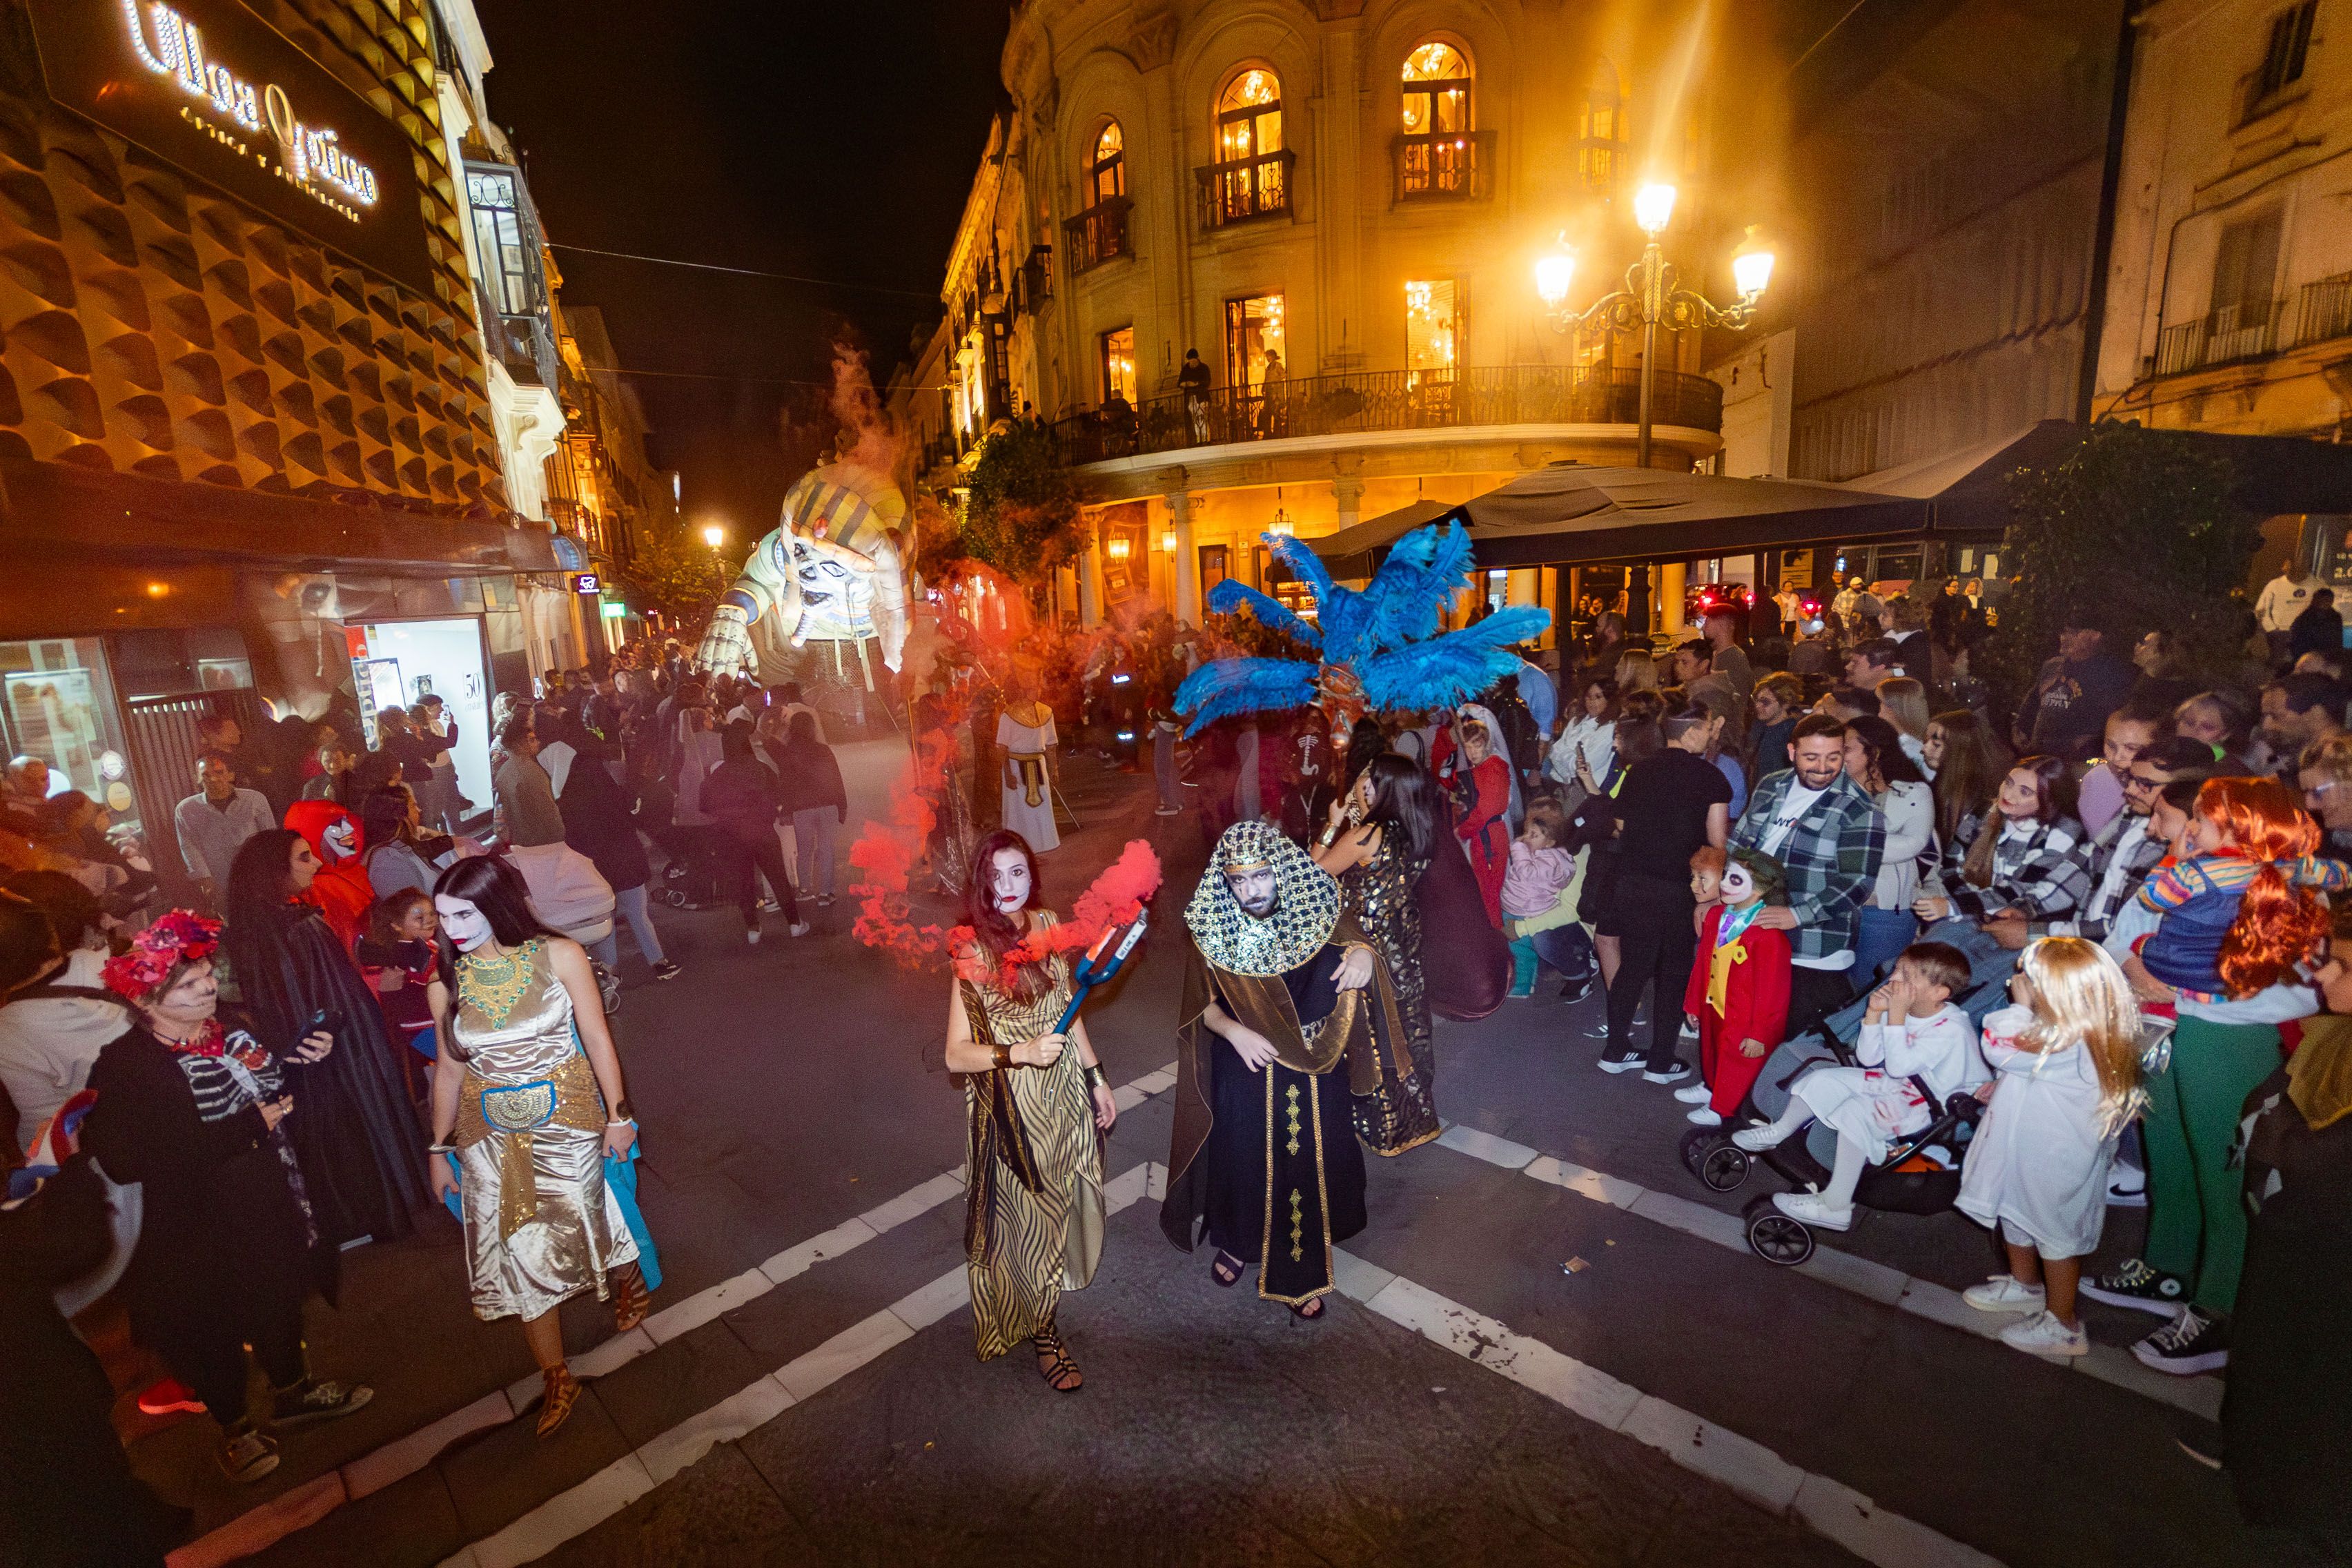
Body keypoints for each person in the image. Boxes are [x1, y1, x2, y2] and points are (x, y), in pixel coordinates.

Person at [82, 912, 372, 1482]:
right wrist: (248, 1127)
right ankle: (235, 1431)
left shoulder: (234, 1030)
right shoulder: (126, 1066)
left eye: (208, 974)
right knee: (209, 1324)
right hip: (192, 1224)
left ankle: (293, 1393)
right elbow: (126, 1158)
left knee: (280, 1294)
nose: (208, 987)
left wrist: (298, 1063)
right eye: (188, 985)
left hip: (265, 1195)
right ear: (146, 1003)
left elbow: (271, 1092)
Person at [424, 856, 651, 1438]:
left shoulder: (560, 955)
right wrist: (437, 1150)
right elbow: (448, 1075)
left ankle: (627, 1273)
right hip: (488, 1135)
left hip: (569, 1117)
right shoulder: (445, 984)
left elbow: (598, 1038)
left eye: (463, 913)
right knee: (521, 1253)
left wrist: (619, 1115)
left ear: (498, 904)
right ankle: (556, 1374)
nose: (451, 928)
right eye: (443, 916)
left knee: (587, 1217)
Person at [1163, 821, 1420, 1316]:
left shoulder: (1315, 904)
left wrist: (1365, 954)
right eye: (1239, 881)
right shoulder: (1213, 926)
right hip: (1246, 1062)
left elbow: (1358, 939)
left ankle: (1299, 1265)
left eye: (1260, 876)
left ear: (1280, 870)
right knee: (1241, 1157)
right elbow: (1201, 1010)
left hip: (1317, 1062)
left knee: (1308, 1162)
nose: (1251, 890)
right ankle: (1238, 1240)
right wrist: (1234, 1032)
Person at [940, 832, 1114, 1391]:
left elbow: (1069, 1003)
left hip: (1062, 1090)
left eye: (1018, 873)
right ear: (981, 883)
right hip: (1013, 1104)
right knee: (1029, 1221)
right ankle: (1044, 1332)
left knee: (1067, 1200)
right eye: (996, 876)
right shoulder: (971, 950)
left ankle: (1046, 1302)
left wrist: (1096, 1075)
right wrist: (1021, 1052)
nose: (1008, 888)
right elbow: (954, 1053)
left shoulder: (1045, 923)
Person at [2205, 910, 2352, 1534]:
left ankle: (2289, 1496)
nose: (2324, 977)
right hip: (2298, 1233)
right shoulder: (2335, 1031)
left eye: (2343, 966)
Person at [224, 829, 429, 1249]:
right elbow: (291, 998)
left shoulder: (271, 925)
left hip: (335, 1042)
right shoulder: (284, 928)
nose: (317, 864)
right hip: (333, 1049)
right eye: (304, 858)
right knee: (352, 1126)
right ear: (273, 871)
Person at [1957, 937, 2146, 1358]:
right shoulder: (2074, 1029)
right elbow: (2025, 1069)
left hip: (2053, 1159)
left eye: (2029, 978)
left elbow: (2001, 1046)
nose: (2018, 981)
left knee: (2055, 1236)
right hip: (2029, 1149)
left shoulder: (2068, 1035)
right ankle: (2025, 1286)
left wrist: (2019, 1008)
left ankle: (2064, 1325)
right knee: (2017, 1215)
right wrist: (2005, 1084)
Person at [1734, 941, 1982, 1228]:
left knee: (1856, 1112)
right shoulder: (1906, 1009)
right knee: (1825, 1079)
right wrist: (1875, 1015)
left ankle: (1836, 1206)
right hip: (1899, 1085)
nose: (1894, 979)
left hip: (1931, 1108)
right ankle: (1779, 1131)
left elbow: (1900, 1065)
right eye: (1897, 970)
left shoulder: (1952, 1029)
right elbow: (1868, 1057)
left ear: (1939, 993)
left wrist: (1897, 1015)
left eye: (1906, 976)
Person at [1312, 754, 1442, 1151]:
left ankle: (1384, 1126)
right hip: (1403, 947)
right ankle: (1418, 1119)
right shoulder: (1420, 828)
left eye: (1369, 780)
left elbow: (1313, 874)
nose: (1360, 784)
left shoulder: (1366, 835)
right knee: (1408, 1028)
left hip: (1366, 949)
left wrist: (1334, 822)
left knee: (1373, 1037)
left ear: (1383, 788)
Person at [1598, 697, 1732, 1081]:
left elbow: (1621, 823)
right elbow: (1716, 844)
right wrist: (1713, 895)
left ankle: (1616, 1049)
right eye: (1708, 728)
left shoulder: (1639, 770)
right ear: (1691, 731)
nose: (1710, 735)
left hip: (1633, 880)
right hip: (1679, 887)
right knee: (1674, 972)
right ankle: (1660, 1060)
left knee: (1633, 967)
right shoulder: (1711, 777)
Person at [1732, 714, 1886, 1039]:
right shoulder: (1771, 785)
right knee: (1746, 1025)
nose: (1823, 768)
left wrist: (1795, 915)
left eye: (1833, 757)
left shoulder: (1859, 809)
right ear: (1792, 752)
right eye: (1811, 757)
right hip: (1753, 929)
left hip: (1814, 950)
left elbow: (1857, 883)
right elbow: (1740, 844)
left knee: (1786, 1041)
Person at [551, 716, 676, 981]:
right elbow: (631, 812)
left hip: (596, 866)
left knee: (604, 916)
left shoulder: (568, 797)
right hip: (626, 859)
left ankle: (609, 968)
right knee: (638, 914)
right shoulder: (610, 788)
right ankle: (659, 962)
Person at [1678, 846, 1791, 1127]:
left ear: (1761, 890)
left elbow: (1773, 992)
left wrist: (1759, 1034)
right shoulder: (1716, 916)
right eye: (1726, 875)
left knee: (1737, 1062)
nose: (1725, 884)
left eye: (1736, 880)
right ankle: (1712, 1088)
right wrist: (1694, 1002)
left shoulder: (1769, 935)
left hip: (1747, 1015)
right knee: (1712, 1050)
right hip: (1715, 1003)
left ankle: (1724, 1108)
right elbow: (1703, 962)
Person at [1844, 716, 1933, 982]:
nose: (1838, 754)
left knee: (1873, 988)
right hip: (1837, 909)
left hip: (1883, 915)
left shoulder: (1912, 793)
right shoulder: (1834, 791)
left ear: (1875, 752)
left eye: (1846, 749)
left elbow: (1913, 844)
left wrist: (1847, 844)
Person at [701, 724, 805, 943]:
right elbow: (778, 797)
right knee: (778, 879)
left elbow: (705, 805)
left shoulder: (718, 774)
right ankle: (795, 923)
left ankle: (753, 929)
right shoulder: (761, 769)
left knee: (743, 882)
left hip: (732, 837)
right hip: (762, 832)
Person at [2012, 616, 2134, 761]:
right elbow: (2032, 704)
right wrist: (2020, 731)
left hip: (2078, 764)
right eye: (2064, 633)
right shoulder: (2052, 667)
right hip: (2039, 758)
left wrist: (2083, 747)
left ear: (2096, 636)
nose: (2064, 638)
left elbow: (2112, 720)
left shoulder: (2110, 673)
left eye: (2074, 633)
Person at [1499, 801, 1579, 1001]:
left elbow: (1527, 875)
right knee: (1520, 948)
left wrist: (1518, 848)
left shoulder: (1548, 860)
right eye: (1527, 832)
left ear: (1550, 842)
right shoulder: (1540, 854)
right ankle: (1531, 978)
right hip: (1519, 905)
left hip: (1527, 910)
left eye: (1533, 835)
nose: (1526, 838)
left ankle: (1523, 986)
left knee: (1520, 948)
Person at [174, 751, 274, 905]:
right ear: (198, 778)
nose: (213, 779)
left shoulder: (254, 799)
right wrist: (205, 878)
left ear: (231, 775)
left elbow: (270, 838)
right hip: (221, 881)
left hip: (258, 876)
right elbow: (188, 846)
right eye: (206, 775)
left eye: (219, 772)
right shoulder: (186, 809)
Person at [770, 711, 847, 908]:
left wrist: (786, 810)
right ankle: (825, 893)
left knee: (804, 849)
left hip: (801, 807)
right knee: (827, 848)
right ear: (812, 728)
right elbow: (835, 777)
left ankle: (804, 889)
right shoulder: (823, 750)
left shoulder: (788, 753)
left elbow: (785, 783)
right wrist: (841, 805)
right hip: (827, 804)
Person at [1440, 714, 1512, 925]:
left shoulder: (1494, 767)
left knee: (1488, 897)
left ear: (1486, 744)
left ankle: (1498, 951)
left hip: (1489, 836)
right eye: (1468, 746)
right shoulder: (1483, 768)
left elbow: (1485, 809)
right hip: (1483, 836)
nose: (1472, 752)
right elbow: (1454, 785)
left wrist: (1462, 832)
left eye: (1477, 746)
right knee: (1482, 895)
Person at [285, 797, 375, 952]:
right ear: (313, 834)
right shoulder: (311, 888)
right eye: (336, 826)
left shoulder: (359, 870)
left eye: (346, 822)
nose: (348, 830)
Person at [2075, 705, 2165, 838]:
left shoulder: (2162, 795)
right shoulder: (2096, 779)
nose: (2116, 758)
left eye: (2131, 748)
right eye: (2111, 746)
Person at [997, 681, 1061, 855]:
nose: (1038, 691)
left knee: (1041, 807)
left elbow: (1051, 745)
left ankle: (1045, 843)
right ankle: (1019, 847)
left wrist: (1053, 768)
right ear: (1023, 691)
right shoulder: (1008, 715)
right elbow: (1002, 748)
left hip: (1039, 765)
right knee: (1019, 811)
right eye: (1034, 688)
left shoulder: (1046, 712)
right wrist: (1008, 773)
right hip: (1016, 767)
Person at [493, 712, 566, 848]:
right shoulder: (531, 771)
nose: (537, 743)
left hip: (519, 841)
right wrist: (562, 838)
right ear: (521, 743)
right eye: (532, 739)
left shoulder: (504, 771)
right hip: (540, 842)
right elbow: (548, 811)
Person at [2257, 672, 2346, 777]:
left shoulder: (2341, 763)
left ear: (2316, 713)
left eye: (2276, 716)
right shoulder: (2305, 758)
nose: (2267, 726)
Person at [360, 785, 440, 899]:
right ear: (400, 816)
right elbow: (416, 912)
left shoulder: (402, 849)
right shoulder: (388, 863)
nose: (419, 810)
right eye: (413, 806)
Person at [1545, 676, 1618, 792]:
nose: (1592, 701)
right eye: (1588, 696)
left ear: (1609, 701)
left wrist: (1565, 755)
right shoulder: (1576, 721)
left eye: (1598, 697)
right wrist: (1572, 758)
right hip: (1559, 782)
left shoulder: (1609, 729)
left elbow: (1586, 766)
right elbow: (1554, 750)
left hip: (1585, 790)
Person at [2256, 558, 2326, 663]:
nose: (2296, 574)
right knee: (2278, 665)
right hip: (2280, 633)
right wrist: (2272, 630)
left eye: (2299, 570)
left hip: (2305, 634)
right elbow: (2261, 610)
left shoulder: (2318, 586)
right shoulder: (2274, 585)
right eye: (2292, 570)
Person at [1746, 673, 1803, 785]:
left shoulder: (1790, 734)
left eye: (1765, 702)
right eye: (1756, 700)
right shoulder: (1758, 726)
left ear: (1786, 704)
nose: (1758, 706)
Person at [1873, 677, 1932, 775]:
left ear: (1893, 709)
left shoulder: (1906, 750)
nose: (1879, 714)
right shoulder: (1916, 744)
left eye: (1881, 703)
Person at [2289, 587, 2344, 663]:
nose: (2325, 603)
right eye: (2322, 600)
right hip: (2308, 656)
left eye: (2328, 601)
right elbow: (2297, 639)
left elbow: (2338, 639)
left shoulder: (2335, 617)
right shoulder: (2305, 618)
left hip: (2329, 656)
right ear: (2315, 600)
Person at [1178, 347, 1212, 441]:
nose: (1192, 364)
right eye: (1190, 362)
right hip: (1190, 398)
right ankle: (1197, 438)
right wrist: (1186, 384)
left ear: (1197, 359)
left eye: (1193, 362)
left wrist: (1196, 383)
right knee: (1194, 419)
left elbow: (1207, 381)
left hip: (1202, 397)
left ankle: (1206, 438)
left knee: (1203, 418)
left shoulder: (1204, 368)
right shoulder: (1186, 369)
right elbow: (1180, 383)